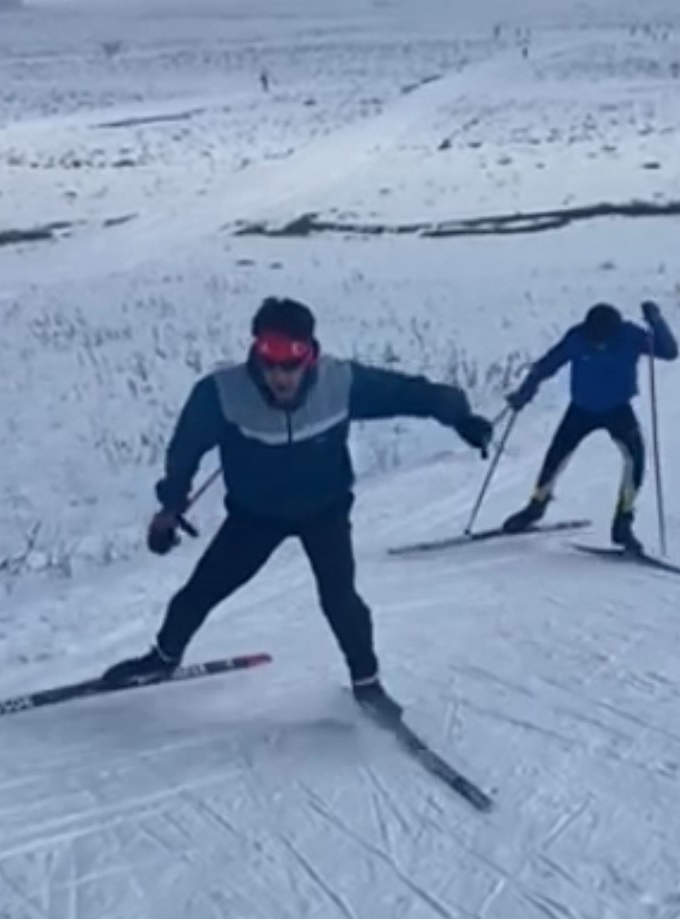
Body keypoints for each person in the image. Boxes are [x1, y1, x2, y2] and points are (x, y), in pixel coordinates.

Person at [101, 297, 495, 721]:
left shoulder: (339, 382)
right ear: (256, 352)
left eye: (291, 364)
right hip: (254, 517)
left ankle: (368, 685)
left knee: (340, 598)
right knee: (202, 590)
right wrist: (169, 508)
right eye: (270, 364)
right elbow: (185, 450)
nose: (279, 376)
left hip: (324, 511)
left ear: (311, 354)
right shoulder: (221, 394)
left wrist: (463, 419)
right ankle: (162, 658)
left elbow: (414, 394)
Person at [500, 301, 679, 552]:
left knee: (635, 461)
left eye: (602, 339)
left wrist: (657, 322)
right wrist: (524, 394)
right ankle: (535, 508)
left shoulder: (631, 336)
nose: (597, 344)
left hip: (618, 409)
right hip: (581, 408)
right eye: (592, 338)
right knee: (555, 458)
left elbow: (669, 352)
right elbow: (546, 366)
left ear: (615, 331)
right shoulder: (577, 337)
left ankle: (623, 524)